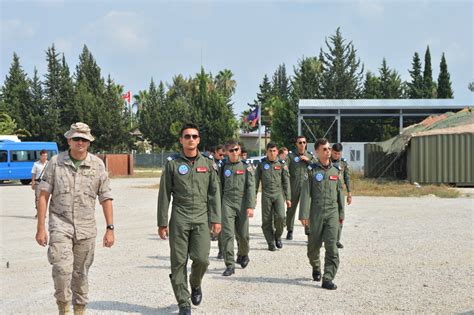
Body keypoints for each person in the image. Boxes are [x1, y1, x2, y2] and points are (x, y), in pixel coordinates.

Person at [35, 122, 115, 315]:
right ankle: (63, 309)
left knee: (81, 274)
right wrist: (41, 227)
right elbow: (43, 195)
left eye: (84, 139)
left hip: (86, 229)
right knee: (62, 271)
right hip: (60, 225)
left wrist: (110, 228)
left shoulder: (97, 165)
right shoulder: (55, 162)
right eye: (76, 138)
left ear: (89, 142)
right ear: (69, 139)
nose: (80, 142)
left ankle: (79, 310)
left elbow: (105, 197)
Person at [157, 123, 221, 315]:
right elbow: (164, 195)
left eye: (194, 136)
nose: (191, 139)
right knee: (178, 262)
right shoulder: (172, 164)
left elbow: (214, 193)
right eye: (187, 136)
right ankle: (183, 303)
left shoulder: (208, 164)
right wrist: (162, 222)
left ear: (198, 140)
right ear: (181, 140)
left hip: (201, 217)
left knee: (202, 260)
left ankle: (195, 283)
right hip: (180, 217)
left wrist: (216, 219)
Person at [299, 138, 344, 290]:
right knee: (313, 248)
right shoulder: (311, 171)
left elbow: (340, 194)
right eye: (324, 149)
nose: (328, 151)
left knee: (332, 246)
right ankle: (316, 267)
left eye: (329, 149)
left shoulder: (336, 171)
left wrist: (341, 213)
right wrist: (304, 214)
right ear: (317, 151)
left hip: (332, 212)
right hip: (316, 213)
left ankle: (328, 278)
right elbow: (305, 193)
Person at [220, 140, 256, 276]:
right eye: (231, 150)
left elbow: (251, 187)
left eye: (236, 149)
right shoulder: (223, 166)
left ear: (240, 150)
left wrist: (250, 206)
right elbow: (219, 186)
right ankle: (229, 264)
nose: (234, 152)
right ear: (226, 152)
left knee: (243, 235)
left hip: (242, 202)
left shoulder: (247, 166)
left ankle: (243, 254)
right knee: (228, 235)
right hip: (227, 202)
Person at [255, 142, 291, 251]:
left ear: (277, 152)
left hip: (278, 194)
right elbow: (255, 181)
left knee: (280, 217)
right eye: (270, 151)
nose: (272, 153)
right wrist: (254, 197)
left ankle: (277, 237)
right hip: (266, 194)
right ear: (266, 152)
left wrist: (288, 197)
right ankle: (270, 242)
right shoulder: (261, 164)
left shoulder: (281, 164)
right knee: (266, 220)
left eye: (274, 151)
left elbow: (286, 181)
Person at [285, 136, 315, 240]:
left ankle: (308, 232)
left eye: (304, 142)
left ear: (306, 144)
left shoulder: (310, 156)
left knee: (307, 210)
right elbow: (285, 169)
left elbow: (317, 167)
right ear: (296, 144)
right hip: (294, 185)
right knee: (291, 210)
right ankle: (290, 230)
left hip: (306, 187)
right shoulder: (291, 156)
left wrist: (308, 161)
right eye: (300, 143)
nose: (302, 144)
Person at [331, 143, 352, 249]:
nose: (337, 155)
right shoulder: (326, 161)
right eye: (335, 153)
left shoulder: (343, 163)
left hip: (340, 192)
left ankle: (337, 240)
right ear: (331, 151)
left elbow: (347, 178)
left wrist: (349, 193)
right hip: (329, 191)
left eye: (338, 154)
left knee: (340, 215)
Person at [210, 144, 226, 259]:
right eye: (220, 154)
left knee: (222, 225)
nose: (222, 157)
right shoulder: (209, 163)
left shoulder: (225, 164)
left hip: (223, 198)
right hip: (211, 197)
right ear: (215, 152)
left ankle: (221, 250)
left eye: (223, 155)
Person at [31, 149, 49, 217]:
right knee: (38, 198)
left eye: (46, 156)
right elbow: (33, 174)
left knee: (44, 198)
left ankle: (43, 212)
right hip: (38, 182)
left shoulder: (49, 163)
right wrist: (33, 183)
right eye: (43, 156)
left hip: (46, 183)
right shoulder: (36, 164)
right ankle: (39, 212)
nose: (45, 157)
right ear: (40, 156)